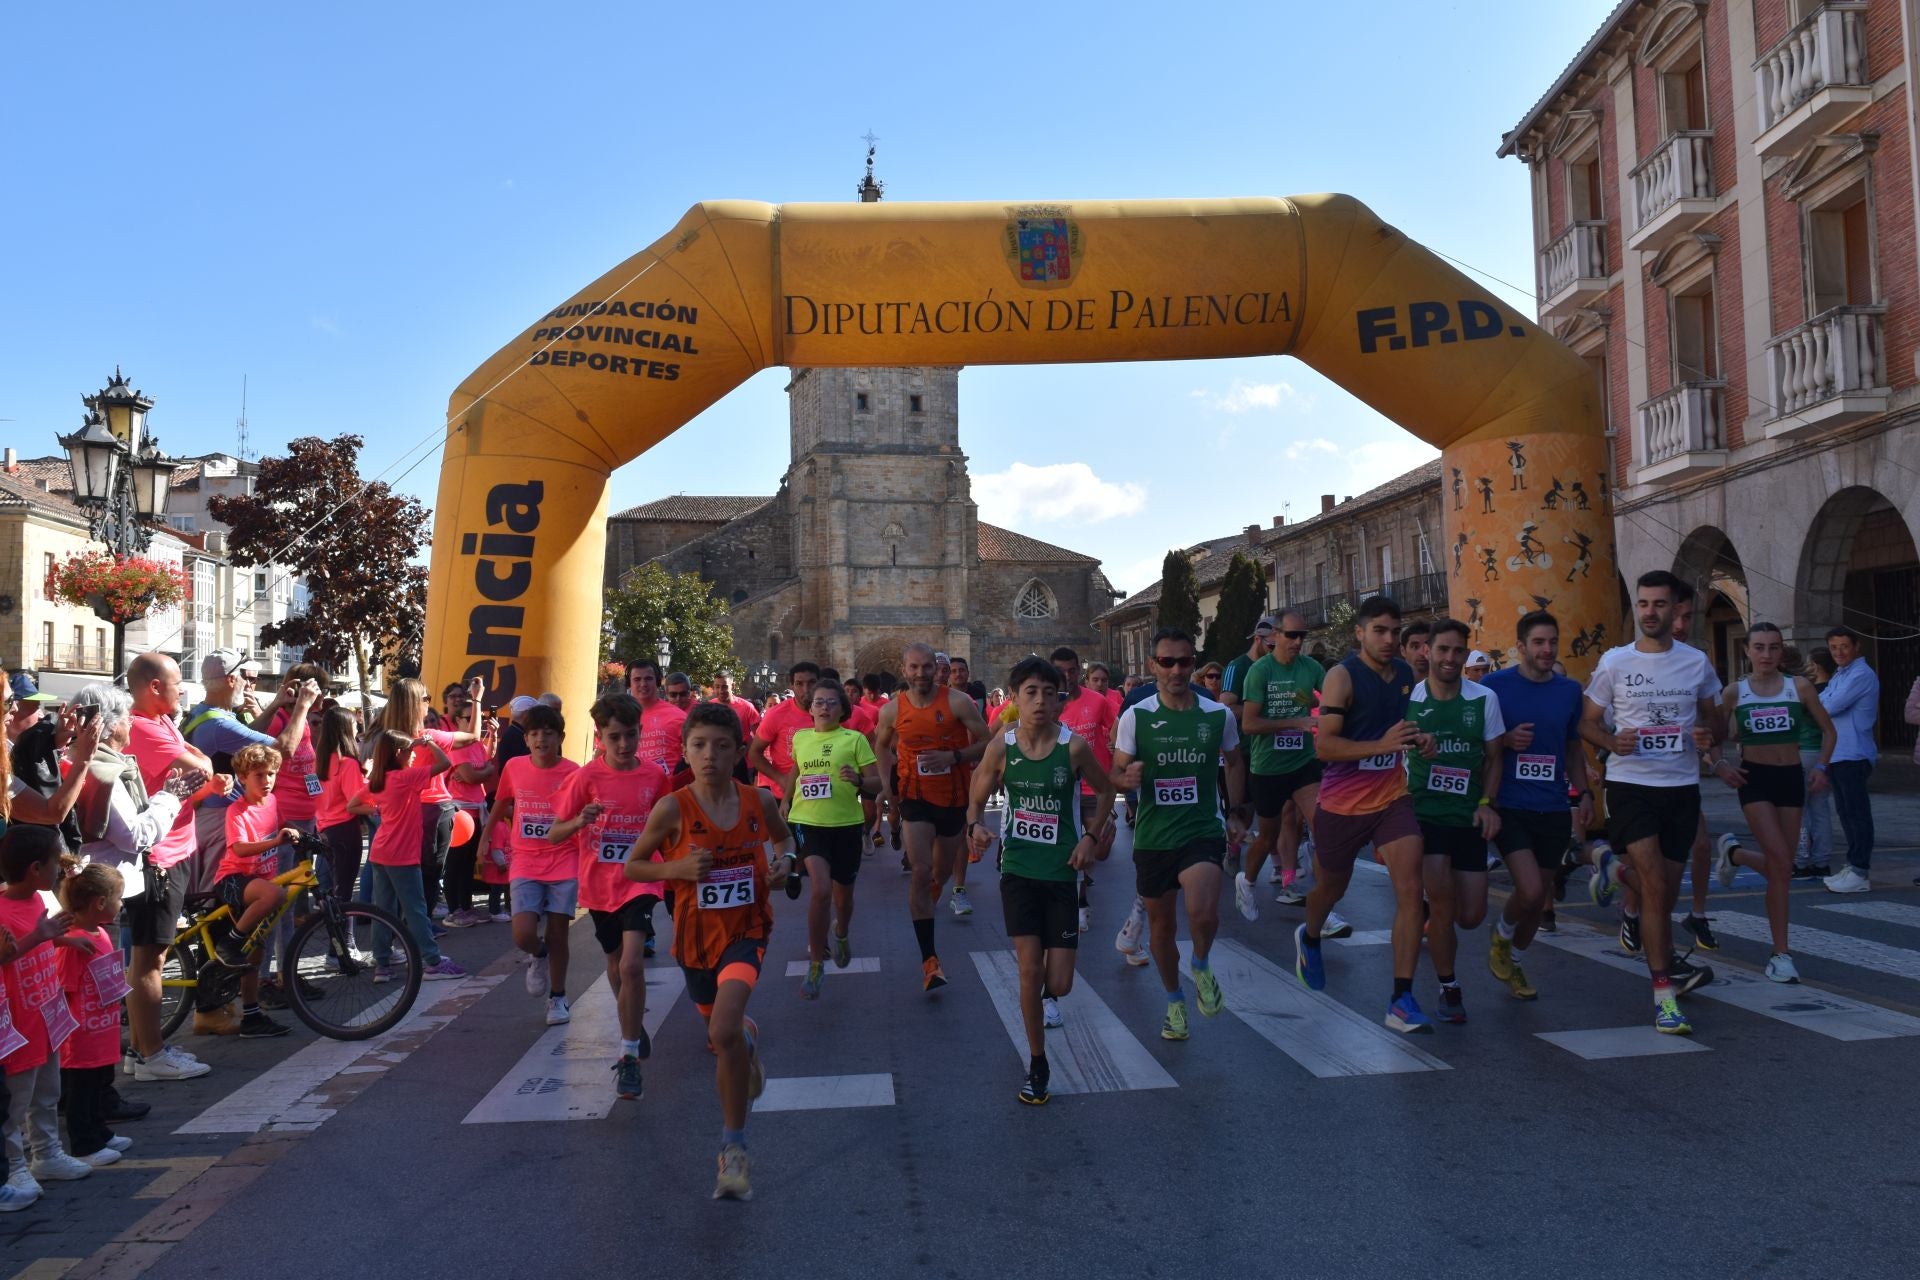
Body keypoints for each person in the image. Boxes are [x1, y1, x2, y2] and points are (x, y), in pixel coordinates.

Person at [623, 703, 795, 1201]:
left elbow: (785, 841)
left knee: (721, 1033)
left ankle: (733, 1148)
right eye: (699, 745)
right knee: (724, 1031)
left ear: (741, 752)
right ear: (685, 751)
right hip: (695, 940)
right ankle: (747, 1042)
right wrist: (673, 871)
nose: (709, 756)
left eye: (722, 746)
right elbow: (635, 867)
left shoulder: (756, 802)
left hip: (746, 930)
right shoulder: (673, 808)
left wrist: (785, 865)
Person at [1580, 570, 1723, 1035]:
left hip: (1680, 788)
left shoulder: (1696, 663)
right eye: (1643, 604)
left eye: (1659, 604)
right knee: (1658, 888)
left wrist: (1710, 736)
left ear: (1673, 609)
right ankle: (1664, 995)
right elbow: (1586, 722)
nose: (1650, 612)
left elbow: (1718, 721)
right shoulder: (1615, 662)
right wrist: (1610, 743)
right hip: (1631, 785)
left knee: (1664, 890)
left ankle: (1612, 870)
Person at [966, 657, 1114, 1103]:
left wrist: (1090, 837)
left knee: (1061, 983)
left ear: (1059, 701)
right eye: (1030, 692)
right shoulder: (1000, 748)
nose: (1040, 702)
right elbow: (975, 801)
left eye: (1050, 693)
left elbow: (1105, 790)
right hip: (1018, 870)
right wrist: (975, 828)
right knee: (1029, 970)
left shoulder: (1072, 748)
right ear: (1014, 698)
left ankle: (1048, 1002)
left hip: (1062, 873)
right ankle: (1037, 1062)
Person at [1294, 595, 1435, 1034]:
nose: (1390, 639)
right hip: (1341, 806)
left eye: (1396, 631)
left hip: (1392, 799)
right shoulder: (1342, 676)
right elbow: (1325, 746)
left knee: (1412, 889)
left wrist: (1419, 738)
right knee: (1330, 890)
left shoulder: (1408, 677)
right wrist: (1384, 746)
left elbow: (1395, 731)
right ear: (1360, 633)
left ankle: (1401, 998)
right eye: (1380, 631)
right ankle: (1310, 935)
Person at [1111, 627, 1249, 1041]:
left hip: (1201, 829)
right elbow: (1115, 773)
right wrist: (1125, 779)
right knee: (1162, 931)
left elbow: (1235, 761)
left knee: (1204, 912)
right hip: (1154, 837)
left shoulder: (1216, 714)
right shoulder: (1137, 716)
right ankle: (1174, 1002)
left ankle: (1202, 964)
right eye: (1166, 662)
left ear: (1194, 663)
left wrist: (1238, 811)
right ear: (1152, 665)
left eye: (1184, 661)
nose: (1176, 669)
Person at [549, 694, 670, 1101]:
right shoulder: (585, 779)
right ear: (599, 737)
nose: (623, 745)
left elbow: (670, 831)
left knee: (633, 965)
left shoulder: (655, 776)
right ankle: (632, 1025)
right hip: (600, 886)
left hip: (641, 880)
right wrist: (579, 820)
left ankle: (629, 1054)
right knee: (617, 967)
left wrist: (677, 871)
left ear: (641, 732)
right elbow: (555, 832)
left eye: (631, 735)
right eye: (614, 737)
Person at [1708, 624, 1836, 982]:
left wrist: (1822, 768)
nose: (1767, 655)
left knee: (1782, 868)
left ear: (1782, 652)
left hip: (1791, 778)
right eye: (1760, 647)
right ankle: (1781, 953)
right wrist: (1720, 766)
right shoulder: (1735, 692)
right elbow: (1710, 737)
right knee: (1782, 863)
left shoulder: (1800, 687)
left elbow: (1829, 731)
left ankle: (1736, 855)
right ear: (1747, 651)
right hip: (1755, 780)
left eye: (1774, 648)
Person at [121, 653, 226, 1072]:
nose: (182, 688)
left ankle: (140, 1051)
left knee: (154, 957)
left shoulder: (163, 720)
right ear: (153, 687)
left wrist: (206, 770)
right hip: (158, 857)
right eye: (176, 681)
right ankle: (151, 1055)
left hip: (176, 848)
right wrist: (207, 770)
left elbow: (201, 764)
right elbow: (202, 765)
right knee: (149, 960)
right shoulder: (144, 727)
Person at [1483, 611, 1593, 1001]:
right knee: (1529, 890)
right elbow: (1480, 743)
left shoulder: (1568, 690)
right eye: (1539, 643)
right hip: (1510, 804)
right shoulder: (1494, 687)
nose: (1547, 650)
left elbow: (1573, 746)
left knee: (1537, 903)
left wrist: (1584, 794)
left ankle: (1512, 958)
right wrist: (1505, 740)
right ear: (1521, 647)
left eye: (1552, 642)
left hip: (1553, 806)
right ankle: (1500, 937)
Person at [1405, 619, 1505, 1024]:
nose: (1449, 658)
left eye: (1457, 651)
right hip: (1424, 815)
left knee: (1472, 916)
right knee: (1444, 905)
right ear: (1428, 651)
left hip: (1467, 816)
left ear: (1465, 655)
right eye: (1442, 649)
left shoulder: (1484, 699)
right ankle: (1449, 987)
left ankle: (1432, 915)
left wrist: (1486, 802)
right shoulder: (1409, 697)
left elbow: (1494, 756)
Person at [875, 643, 991, 990]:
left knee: (939, 872)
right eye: (914, 667)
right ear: (904, 668)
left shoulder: (957, 702)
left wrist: (955, 757)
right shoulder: (892, 710)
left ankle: (937, 890)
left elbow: (987, 740)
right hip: (915, 799)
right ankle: (930, 960)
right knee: (921, 870)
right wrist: (887, 786)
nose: (920, 673)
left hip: (953, 799)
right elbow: (881, 745)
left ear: (934, 668)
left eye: (926, 667)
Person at [2, 825, 101, 1203]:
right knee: (15, 1103)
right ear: (34, 869)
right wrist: (41, 936)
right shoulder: (3, 908)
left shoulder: (36, 901)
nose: (58, 868)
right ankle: (14, 1168)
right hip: (19, 1025)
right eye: (52, 862)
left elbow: (42, 930)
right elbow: (7, 954)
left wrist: (62, 937)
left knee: (47, 1093)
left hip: (47, 1017)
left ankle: (47, 1154)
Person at [480, 704, 578, 1021]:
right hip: (525, 859)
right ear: (526, 739)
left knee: (559, 932)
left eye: (548, 734)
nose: (541, 740)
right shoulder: (515, 767)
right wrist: (485, 837)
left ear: (560, 738)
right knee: (523, 934)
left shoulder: (573, 772)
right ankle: (539, 954)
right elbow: (501, 802)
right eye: (534, 733)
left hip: (564, 858)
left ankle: (559, 997)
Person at [782, 678, 878, 998]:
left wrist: (860, 780)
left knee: (843, 898)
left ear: (843, 709)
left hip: (846, 825)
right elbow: (796, 771)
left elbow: (877, 784)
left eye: (831, 702)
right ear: (810, 709)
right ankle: (815, 962)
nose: (824, 707)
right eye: (818, 702)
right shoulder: (800, 738)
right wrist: (785, 800)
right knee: (821, 889)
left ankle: (841, 932)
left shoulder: (855, 740)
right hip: (807, 821)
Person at [1233, 608, 1324, 920]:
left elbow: (1334, 697)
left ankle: (1319, 904)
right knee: (1269, 835)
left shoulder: (1311, 668)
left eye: (1303, 636)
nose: (1298, 641)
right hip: (1268, 767)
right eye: (1291, 635)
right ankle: (1246, 881)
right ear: (1275, 636)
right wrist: (1296, 721)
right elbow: (1249, 724)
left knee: (1321, 825)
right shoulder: (1260, 671)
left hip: (1303, 762)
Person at [369, 676, 482, 922]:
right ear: (415, 704)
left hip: (398, 814)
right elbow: (473, 735)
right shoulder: (428, 737)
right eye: (426, 698)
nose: (428, 703)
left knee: (399, 881)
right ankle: (423, 935)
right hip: (433, 811)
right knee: (428, 877)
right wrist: (477, 699)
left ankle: (394, 941)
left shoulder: (385, 739)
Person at [361, 731, 469, 982]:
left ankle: (382, 964)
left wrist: (376, 810)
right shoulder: (405, 777)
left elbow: (353, 804)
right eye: (411, 751)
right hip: (402, 855)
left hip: (380, 852)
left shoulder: (379, 779)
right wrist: (430, 742)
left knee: (383, 909)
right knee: (416, 909)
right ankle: (431, 961)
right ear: (399, 753)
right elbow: (445, 763)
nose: (415, 755)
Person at [210, 744, 302, 1037]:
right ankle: (229, 944)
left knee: (255, 954)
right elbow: (238, 848)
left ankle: (251, 1016)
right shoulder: (237, 810)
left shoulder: (272, 801)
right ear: (242, 778)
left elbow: (282, 822)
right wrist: (275, 842)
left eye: (271, 774)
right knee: (276, 895)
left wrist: (298, 831)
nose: (266, 781)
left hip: (260, 882)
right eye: (258, 775)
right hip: (234, 879)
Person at [58, 861, 134, 1168]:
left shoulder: (100, 933)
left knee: (99, 1083)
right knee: (81, 1090)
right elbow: (62, 988)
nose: (121, 905)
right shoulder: (74, 943)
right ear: (100, 902)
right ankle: (84, 1142)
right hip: (81, 1035)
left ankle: (100, 1131)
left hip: (101, 1029)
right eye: (118, 898)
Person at [1051, 648, 1118, 947]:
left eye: (1071, 670)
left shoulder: (1098, 701)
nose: (1066, 676)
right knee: (1070, 849)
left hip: (1094, 787)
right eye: (1060, 671)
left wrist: (1118, 765)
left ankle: (1082, 887)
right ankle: (1079, 903)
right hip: (1062, 789)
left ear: (1079, 671)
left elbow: (1117, 733)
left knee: (1099, 849)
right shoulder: (1049, 705)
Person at [1819, 625, 1880, 894]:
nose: (1838, 652)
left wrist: (1822, 703)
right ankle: (1852, 865)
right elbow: (1819, 701)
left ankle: (1860, 870)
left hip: (1854, 752)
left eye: (1844, 646)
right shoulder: (1840, 675)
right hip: (1838, 752)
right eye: (1833, 647)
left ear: (1857, 647)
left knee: (1857, 814)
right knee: (1845, 812)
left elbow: (1827, 706)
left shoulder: (1861, 674)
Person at [313, 707, 369, 949]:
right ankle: (343, 949)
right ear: (346, 730)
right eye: (354, 725)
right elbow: (356, 803)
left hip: (323, 830)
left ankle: (337, 948)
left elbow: (314, 796)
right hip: (345, 830)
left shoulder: (318, 763)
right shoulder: (347, 764)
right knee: (343, 895)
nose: (357, 728)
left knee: (333, 893)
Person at [1800, 648, 1838, 877]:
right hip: (1824, 751)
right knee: (1821, 808)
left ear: (1815, 666)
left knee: (1801, 809)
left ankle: (1801, 860)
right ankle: (1822, 860)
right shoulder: (1834, 689)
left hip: (1803, 750)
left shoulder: (1808, 693)